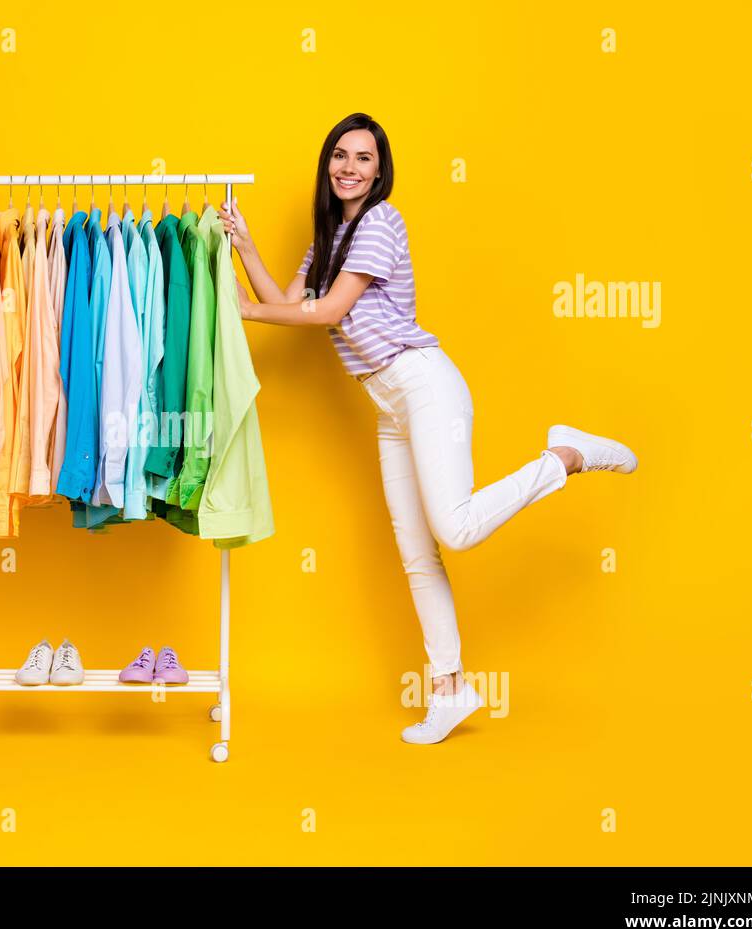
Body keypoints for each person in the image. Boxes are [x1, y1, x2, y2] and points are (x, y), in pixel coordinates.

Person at [217, 112, 638, 744]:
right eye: (339, 155)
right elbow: (288, 299)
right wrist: (244, 246)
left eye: (362, 158)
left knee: (457, 528)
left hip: (422, 383)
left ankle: (567, 456)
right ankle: (449, 690)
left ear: (379, 170)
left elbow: (326, 311)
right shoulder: (327, 239)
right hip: (387, 403)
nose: (348, 167)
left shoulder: (381, 222)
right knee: (418, 555)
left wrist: (242, 309)